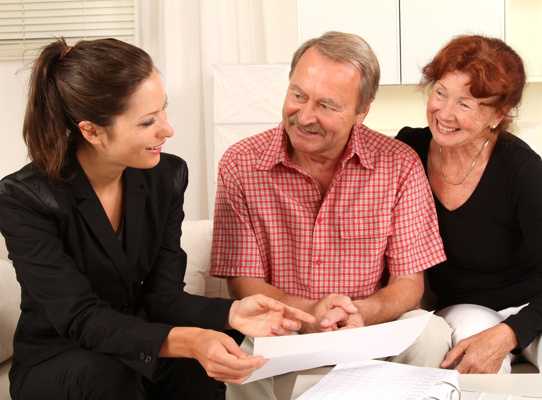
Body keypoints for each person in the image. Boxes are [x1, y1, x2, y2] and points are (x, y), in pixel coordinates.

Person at [0, 37, 315, 400]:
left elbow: (162, 297)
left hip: (135, 348)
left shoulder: (167, 176)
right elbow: (78, 316)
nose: (167, 130)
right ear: (91, 131)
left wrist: (233, 314)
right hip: (59, 358)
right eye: (148, 121)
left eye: (163, 109)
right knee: (113, 373)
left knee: (193, 367)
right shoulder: (25, 198)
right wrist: (187, 339)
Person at [210, 31, 453, 399]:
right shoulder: (241, 163)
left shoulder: (400, 164)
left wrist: (361, 313)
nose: (304, 116)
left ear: (362, 110)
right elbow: (244, 282)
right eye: (297, 95)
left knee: (432, 333)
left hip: (370, 331)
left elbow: (409, 283)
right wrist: (310, 313)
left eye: (327, 105)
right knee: (243, 353)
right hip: (284, 330)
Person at [395, 34, 542, 377]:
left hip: (541, 303)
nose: (444, 113)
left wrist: (510, 334)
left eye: (466, 104)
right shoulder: (408, 150)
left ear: (499, 113)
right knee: (469, 365)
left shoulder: (521, 167)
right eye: (441, 92)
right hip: (466, 306)